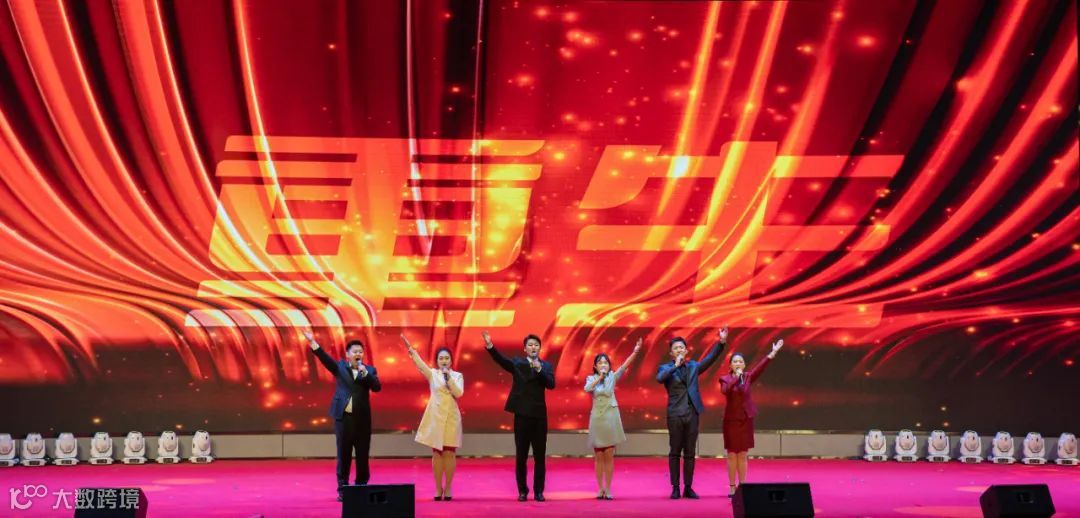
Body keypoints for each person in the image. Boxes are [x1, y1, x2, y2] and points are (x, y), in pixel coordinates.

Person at [303, 331, 381, 502]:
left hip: (362, 420)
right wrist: (313, 342)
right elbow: (325, 359)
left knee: (362, 455)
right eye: (355, 351)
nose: (358, 354)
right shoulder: (340, 367)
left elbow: (377, 387)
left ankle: (361, 485)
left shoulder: (369, 370)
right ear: (348, 354)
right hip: (344, 419)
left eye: (360, 351)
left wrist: (366, 374)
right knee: (343, 455)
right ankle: (343, 488)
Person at [482, 330, 555, 502]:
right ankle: (522, 490)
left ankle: (539, 491)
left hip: (539, 417)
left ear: (540, 348)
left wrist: (539, 369)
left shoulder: (546, 366)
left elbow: (551, 384)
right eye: (530, 345)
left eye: (536, 345)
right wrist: (490, 346)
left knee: (539, 457)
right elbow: (502, 361)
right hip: (522, 415)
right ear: (525, 349)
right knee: (521, 456)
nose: (533, 347)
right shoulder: (518, 363)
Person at [655, 327, 728, 499]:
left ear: (686, 351)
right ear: (671, 353)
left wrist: (721, 343)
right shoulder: (665, 368)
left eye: (682, 347)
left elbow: (710, 359)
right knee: (675, 451)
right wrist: (675, 366)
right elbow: (660, 378)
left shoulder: (694, 366)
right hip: (675, 414)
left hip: (692, 413)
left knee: (690, 452)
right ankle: (675, 487)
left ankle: (688, 487)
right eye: (676, 348)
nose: (679, 350)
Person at [400, 334, 464, 501]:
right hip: (435, 417)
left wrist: (448, 378)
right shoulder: (432, 374)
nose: (444, 361)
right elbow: (420, 364)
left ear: (451, 361)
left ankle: (448, 487)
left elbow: (458, 393)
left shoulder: (457, 376)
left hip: (451, 418)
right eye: (441, 358)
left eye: (447, 358)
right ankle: (437, 487)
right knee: (437, 453)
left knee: (449, 453)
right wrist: (411, 349)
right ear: (437, 361)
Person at [720, 338, 784, 497]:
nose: (738, 363)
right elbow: (726, 391)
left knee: (742, 454)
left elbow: (760, 367)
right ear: (730, 365)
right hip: (731, 421)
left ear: (744, 365)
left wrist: (773, 353)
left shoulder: (748, 377)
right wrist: (737, 377)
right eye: (735, 361)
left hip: (746, 420)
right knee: (732, 454)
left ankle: (743, 487)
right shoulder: (725, 379)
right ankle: (732, 487)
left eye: (740, 361)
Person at [584, 338, 643, 500]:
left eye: (606, 363)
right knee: (598, 456)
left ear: (609, 366)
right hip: (597, 418)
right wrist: (599, 378)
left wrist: (636, 350)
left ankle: (608, 489)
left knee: (609, 454)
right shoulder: (591, 379)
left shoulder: (613, 377)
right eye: (600, 363)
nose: (603, 365)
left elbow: (625, 365)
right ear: (595, 366)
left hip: (610, 418)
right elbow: (587, 389)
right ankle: (600, 488)